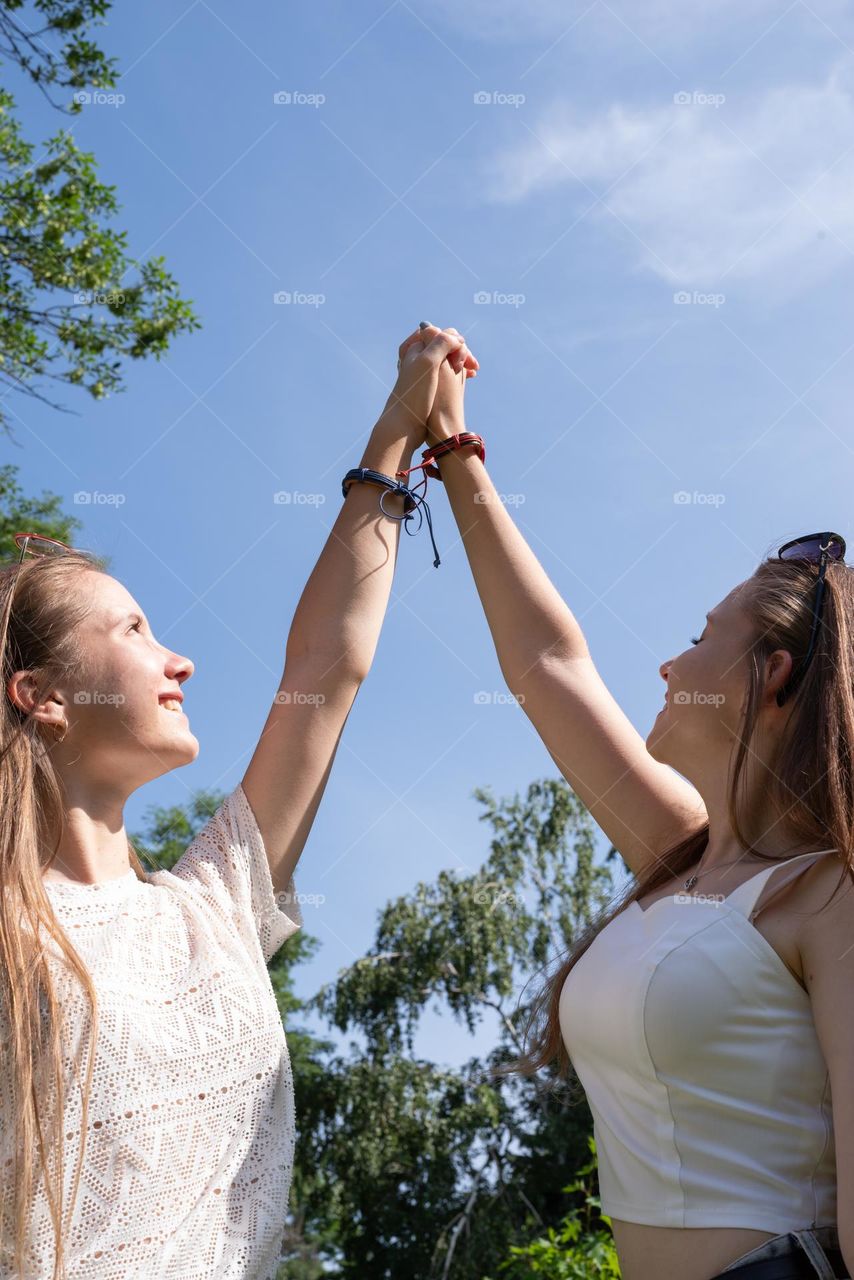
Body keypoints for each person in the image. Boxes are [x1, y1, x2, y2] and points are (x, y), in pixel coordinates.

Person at [0, 323, 478, 1280]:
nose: (179, 658)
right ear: (44, 697)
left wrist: (398, 428)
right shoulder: (16, 929)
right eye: (134, 629)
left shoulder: (214, 905)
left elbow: (326, 669)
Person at [408, 322, 853, 1280]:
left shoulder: (829, 899)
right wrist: (448, 444)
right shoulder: (683, 855)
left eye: (700, 638)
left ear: (770, 677)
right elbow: (544, 663)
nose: (667, 660)